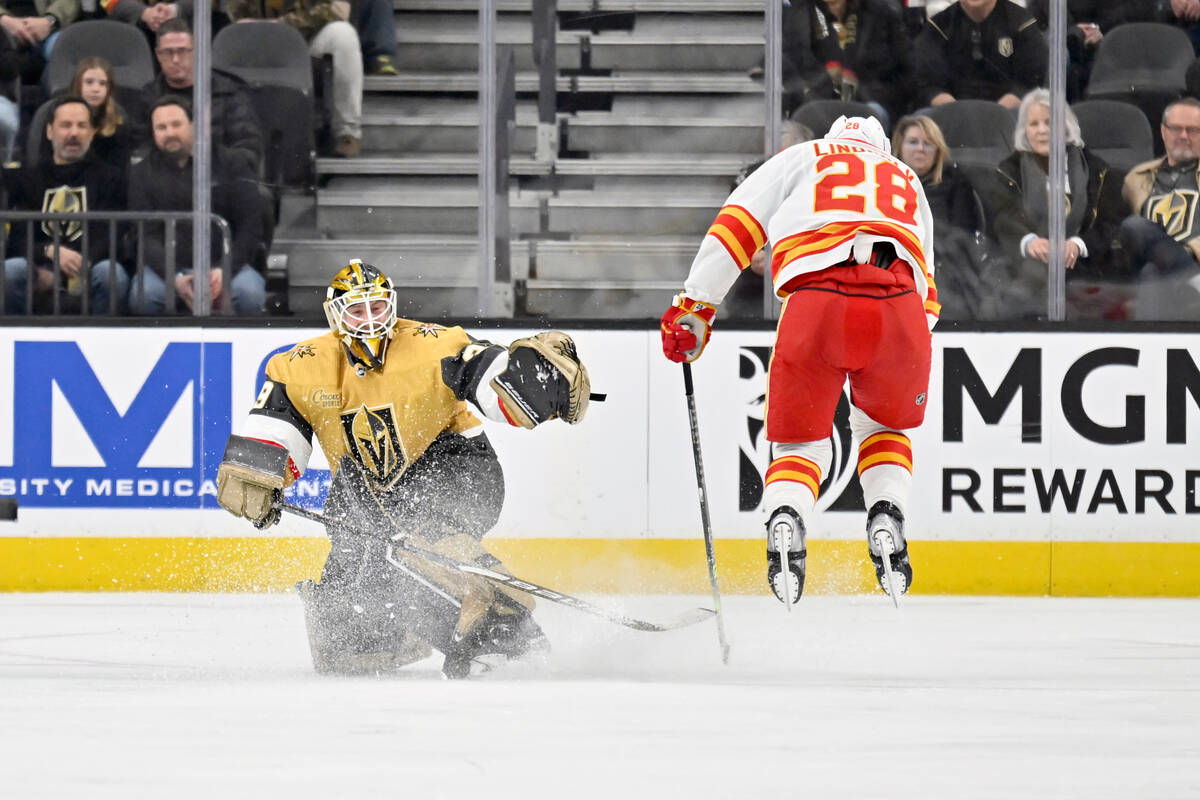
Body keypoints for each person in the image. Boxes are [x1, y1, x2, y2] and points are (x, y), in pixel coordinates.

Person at [216, 260, 593, 677]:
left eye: (378, 308)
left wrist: (526, 382)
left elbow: (487, 375)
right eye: (358, 311)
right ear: (335, 316)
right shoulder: (299, 367)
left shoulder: (433, 344)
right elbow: (275, 435)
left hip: (457, 466)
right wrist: (257, 476)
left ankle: (506, 627)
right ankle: (391, 638)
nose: (371, 320)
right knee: (345, 629)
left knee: (409, 542)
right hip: (367, 490)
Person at [660, 116, 936, 604]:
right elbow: (927, 288)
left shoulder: (806, 156)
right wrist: (904, 342)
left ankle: (786, 514)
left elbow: (737, 225)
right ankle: (887, 513)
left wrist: (695, 305)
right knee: (883, 429)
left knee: (800, 444)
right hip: (899, 309)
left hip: (816, 302)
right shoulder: (905, 175)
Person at [983, 88, 1125, 319]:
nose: (1042, 131)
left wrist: (1078, 244)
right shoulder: (1008, 171)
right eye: (1034, 124)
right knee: (1036, 270)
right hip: (1025, 266)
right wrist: (1028, 241)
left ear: (1066, 127)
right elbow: (1001, 217)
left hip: (1084, 265)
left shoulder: (1097, 169)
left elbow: (1110, 224)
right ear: (1024, 130)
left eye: (1050, 123)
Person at [126, 96, 271, 314]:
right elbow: (145, 236)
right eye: (161, 127)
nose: (170, 133)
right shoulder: (141, 174)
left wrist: (224, 271)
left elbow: (250, 227)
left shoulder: (233, 163)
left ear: (194, 126)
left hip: (225, 266)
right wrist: (175, 277)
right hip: (166, 270)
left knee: (248, 294)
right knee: (145, 296)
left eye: (176, 125)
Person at [2, 95, 128, 314]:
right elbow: (18, 240)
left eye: (81, 126)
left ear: (92, 132)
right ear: (50, 131)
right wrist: (50, 252)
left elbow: (112, 236)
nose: (73, 133)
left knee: (111, 274)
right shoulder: (28, 179)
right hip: (41, 265)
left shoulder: (111, 178)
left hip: (91, 265)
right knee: (10, 271)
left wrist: (76, 267)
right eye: (66, 125)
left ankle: (104, 342)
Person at [226, 0, 363, 158]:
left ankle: (347, 132)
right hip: (261, 45)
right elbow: (237, 14)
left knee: (343, 33)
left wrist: (280, 24)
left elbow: (339, 8)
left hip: (308, 43)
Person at [892, 113, 990, 319]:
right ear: (899, 147)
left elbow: (960, 236)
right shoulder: (885, 184)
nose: (920, 148)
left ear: (938, 151)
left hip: (942, 272)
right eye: (913, 142)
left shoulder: (957, 184)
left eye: (928, 144)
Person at [142, 18, 264, 179]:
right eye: (168, 52)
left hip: (219, 182)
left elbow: (249, 152)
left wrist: (208, 153)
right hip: (166, 184)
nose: (175, 59)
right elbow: (141, 152)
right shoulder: (149, 96)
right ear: (158, 54)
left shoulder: (229, 92)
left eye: (183, 51)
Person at [1119, 97, 1200, 318]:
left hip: (1191, 261)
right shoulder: (1135, 179)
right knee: (1135, 226)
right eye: (1176, 129)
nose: (1183, 136)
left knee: (1152, 275)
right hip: (1151, 264)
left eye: (1193, 130)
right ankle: (1193, 282)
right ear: (1163, 132)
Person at [913, 0, 1047, 111]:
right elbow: (928, 83)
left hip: (1007, 111)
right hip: (953, 111)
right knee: (922, 116)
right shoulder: (939, 26)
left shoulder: (1021, 23)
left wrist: (994, 112)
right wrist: (956, 110)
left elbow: (1029, 82)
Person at [820, 0, 916, 128]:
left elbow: (907, 69)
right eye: (826, 5)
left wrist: (858, 84)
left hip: (876, 99)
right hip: (824, 99)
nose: (831, 10)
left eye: (835, 3)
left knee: (871, 114)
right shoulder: (811, 15)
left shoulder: (879, 14)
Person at [69, 57, 134, 167]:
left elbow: (121, 166)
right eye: (89, 82)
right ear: (78, 85)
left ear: (109, 88)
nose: (96, 89)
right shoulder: (61, 114)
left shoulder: (119, 120)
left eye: (102, 83)